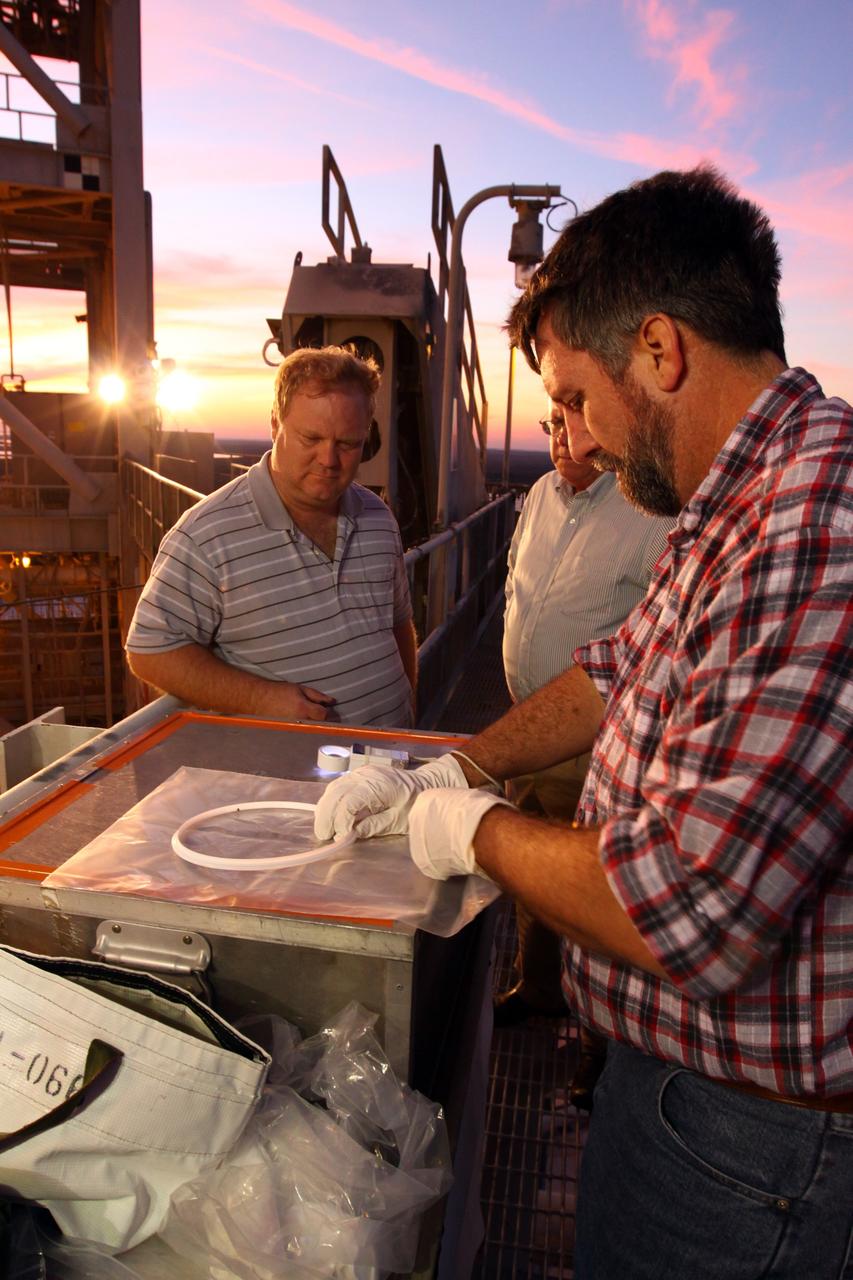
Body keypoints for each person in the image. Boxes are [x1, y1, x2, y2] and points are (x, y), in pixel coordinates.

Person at [314, 167, 853, 1278]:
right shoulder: (737, 503)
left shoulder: (819, 515)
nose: (584, 438)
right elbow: (615, 666)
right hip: (683, 1097)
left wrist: (469, 830)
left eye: (574, 390)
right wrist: (455, 762)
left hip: (753, 1147)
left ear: (658, 348)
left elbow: (688, 911)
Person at [126, 346, 417, 728]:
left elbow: (399, 624)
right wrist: (262, 699)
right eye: (310, 439)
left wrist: (410, 706)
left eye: (347, 444)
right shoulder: (205, 535)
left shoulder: (378, 517)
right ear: (276, 426)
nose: (329, 460)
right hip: (293, 780)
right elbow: (151, 652)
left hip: (396, 762)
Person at [497, 405, 671, 1035]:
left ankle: (598, 1049)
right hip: (528, 724)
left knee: (595, 889)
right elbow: (517, 584)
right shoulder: (540, 493)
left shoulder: (653, 512)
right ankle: (538, 986)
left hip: (597, 739)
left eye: (576, 419)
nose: (561, 438)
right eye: (551, 423)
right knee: (535, 880)